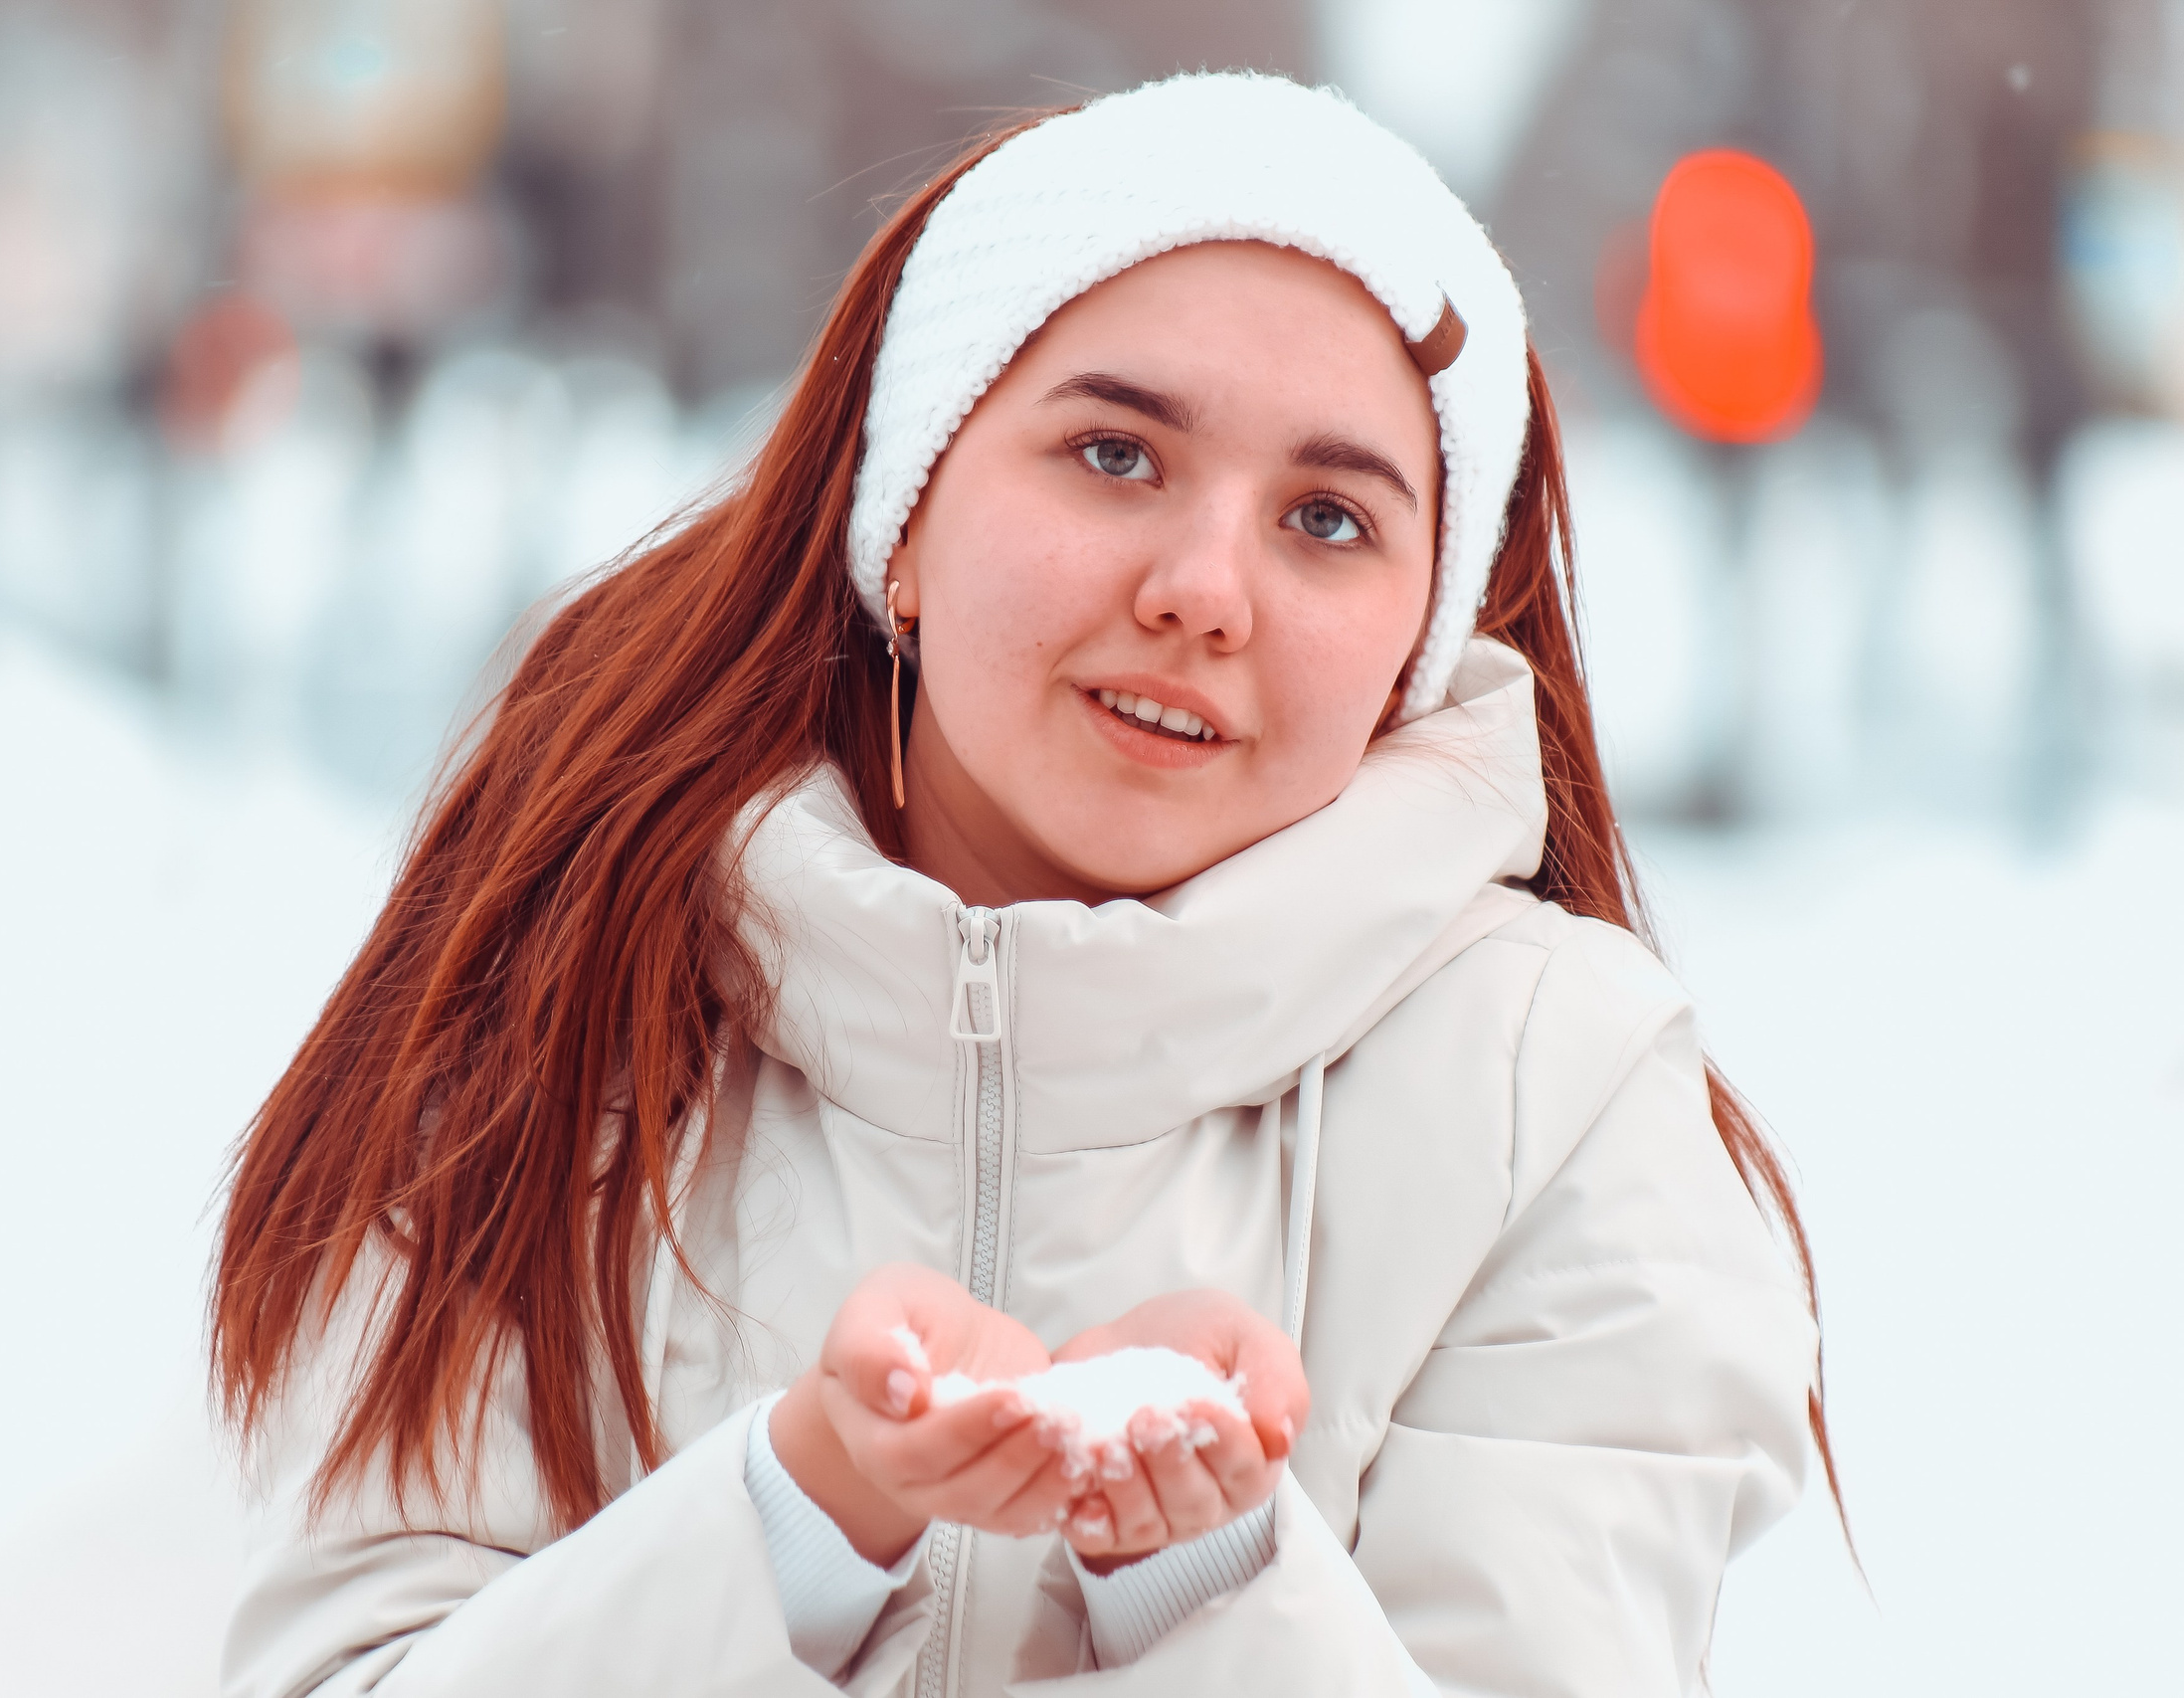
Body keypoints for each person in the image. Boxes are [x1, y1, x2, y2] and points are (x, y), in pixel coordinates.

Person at [211, 73, 1829, 1697]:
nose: (1204, 591)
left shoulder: (1558, 1099)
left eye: (1328, 518)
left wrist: (1206, 1587)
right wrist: (801, 1525)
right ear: (902, 516)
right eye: (1116, 456)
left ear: (1417, 641)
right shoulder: (580, 972)